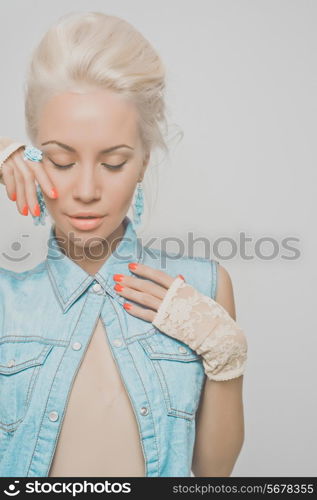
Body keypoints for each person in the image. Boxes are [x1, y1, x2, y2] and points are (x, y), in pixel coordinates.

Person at [0, 11, 247, 477]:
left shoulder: (203, 288)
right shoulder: (6, 300)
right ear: (31, 159)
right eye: (60, 160)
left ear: (142, 163)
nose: (87, 189)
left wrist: (227, 357)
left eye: (113, 163)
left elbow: (214, 474)